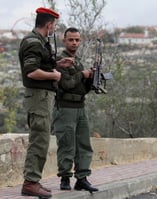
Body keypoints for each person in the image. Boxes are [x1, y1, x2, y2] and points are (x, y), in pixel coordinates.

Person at [18, 7, 74, 199]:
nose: (54, 28)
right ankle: (30, 183)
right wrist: (55, 75)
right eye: (55, 25)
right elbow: (31, 71)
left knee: (41, 139)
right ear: (49, 24)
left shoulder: (39, 42)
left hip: (42, 97)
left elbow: (40, 63)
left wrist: (58, 64)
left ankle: (33, 181)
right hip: (38, 97)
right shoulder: (33, 42)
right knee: (39, 140)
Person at [52, 27, 99, 193]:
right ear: (64, 40)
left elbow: (80, 88)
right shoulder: (59, 60)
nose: (74, 43)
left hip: (80, 107)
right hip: (65, 107)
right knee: (66, 143)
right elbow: (66, 84)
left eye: (77, 40)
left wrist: (91, 79)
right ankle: (65, 177)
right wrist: (82, 75)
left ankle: (82, 178)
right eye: (71, 39)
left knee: (83, 144)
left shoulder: (77, 61)